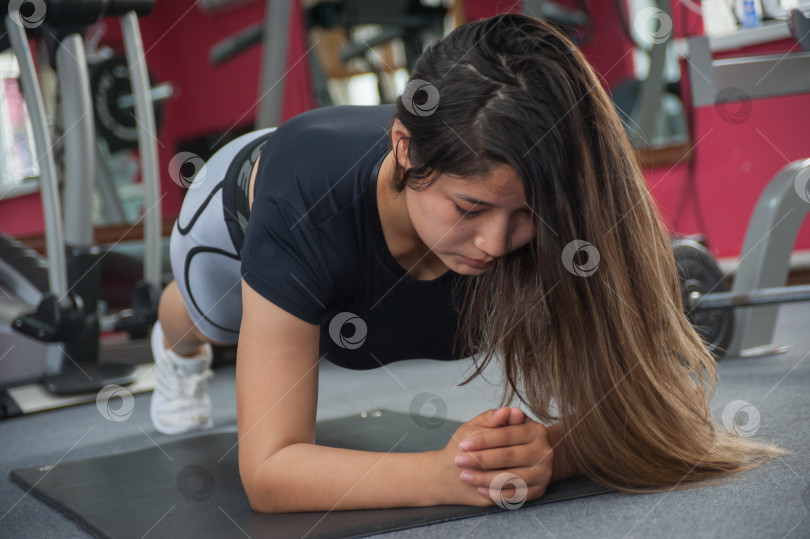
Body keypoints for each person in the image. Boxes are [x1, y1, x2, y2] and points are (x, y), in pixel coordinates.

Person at [150, 13, 786, 513]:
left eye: (522, 215)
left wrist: (551, 452)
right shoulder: (304, 208)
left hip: (370, 198)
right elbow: (268, 472)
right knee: (208, 318)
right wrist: (441, 474)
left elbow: (650, 402)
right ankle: (175, 346)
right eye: (469, 208)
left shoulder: (554, 206)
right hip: (238, 211)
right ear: (404, 151)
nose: (494, 243)